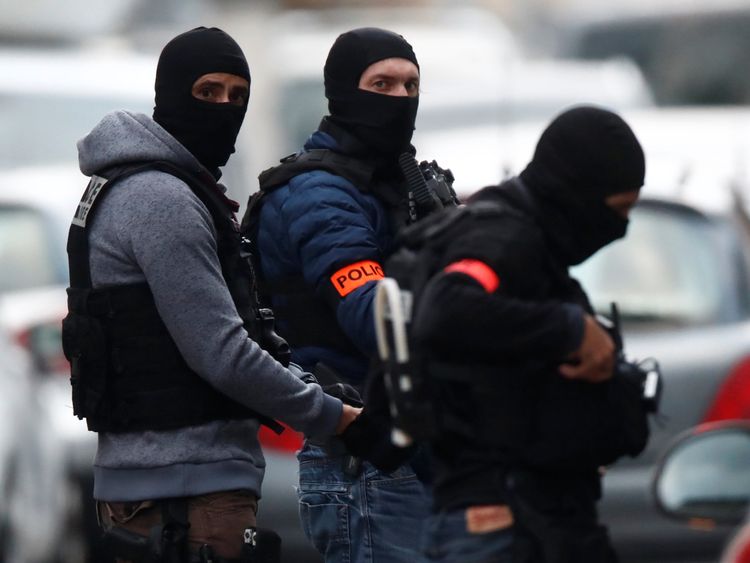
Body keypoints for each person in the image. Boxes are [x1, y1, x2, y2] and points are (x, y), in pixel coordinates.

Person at [62, 27, 359, 563]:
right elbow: (220, 352)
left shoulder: (137, 185)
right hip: (186, 491)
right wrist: (331, 416)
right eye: (207, 92)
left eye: (237, 96)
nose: (224, 108)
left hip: (164, 484)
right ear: (170, 95)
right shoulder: (162, 198)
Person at [402, 105, 649, 563]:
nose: (621, 228)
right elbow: (448, 307)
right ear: (579, 193)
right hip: (503, 522)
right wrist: (572, 330)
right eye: (617, 211)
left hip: (536, 516)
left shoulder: (528, 238)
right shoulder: (503, 237)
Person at [248, 27, 452, 563]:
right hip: (368, 462)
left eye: (411, 87)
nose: (400, 100)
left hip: (419, 450)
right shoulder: (319, 193)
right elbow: (373, 314)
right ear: (342, 92)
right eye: (381, 84)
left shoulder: (401, 182)